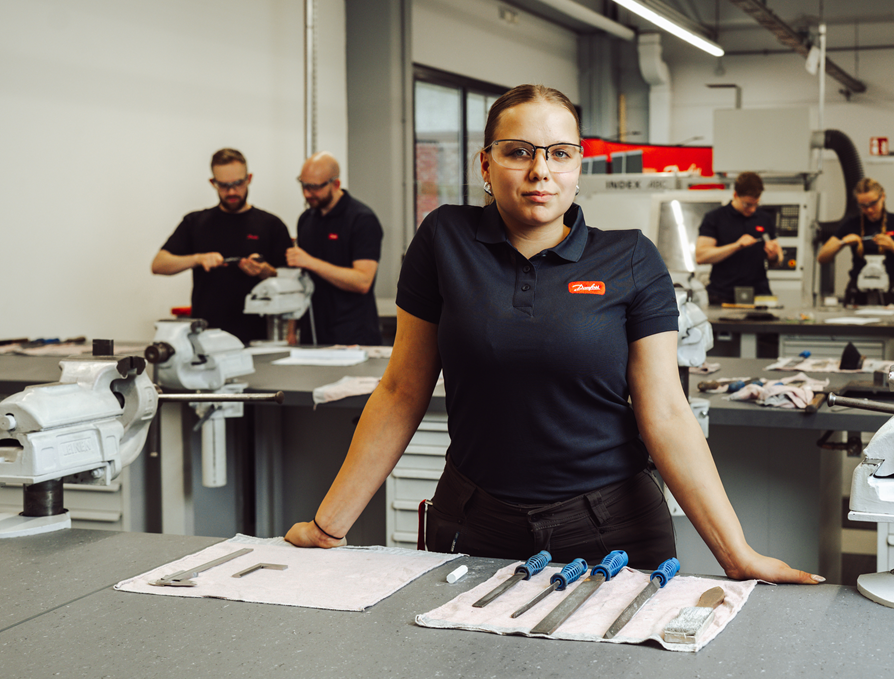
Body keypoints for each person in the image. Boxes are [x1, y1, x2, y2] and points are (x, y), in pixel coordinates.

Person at [285, 85, 820, 584]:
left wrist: (736, 556)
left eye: (560, 153)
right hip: (474, 523)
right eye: (519, 151)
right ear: (486, 165)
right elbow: (402, 390)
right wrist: (329, 525)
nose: (541, 171)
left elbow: (666, 412)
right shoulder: (444, 240)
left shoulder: (631, 257)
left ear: (577, 166)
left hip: (612, 529)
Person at [151, 148, 290, 345]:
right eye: (224, 185)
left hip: (258, 338)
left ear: (249, 178)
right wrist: (197, 259)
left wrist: (265, 271)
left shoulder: (271, 225)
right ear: (213, 183)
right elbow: (158, 264)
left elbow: (293, 282)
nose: (232, 191)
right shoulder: (196, 222)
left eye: (238, 184)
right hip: (206, 337)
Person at [286, 152, 384, 346]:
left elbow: (362, 281)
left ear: (336, 184)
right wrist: (291, 331)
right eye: (304, 186)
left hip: (353, 336)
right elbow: (301, 280)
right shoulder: (306, 219)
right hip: (312, 334)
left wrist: (311, 262)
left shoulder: (361, 220)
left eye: (314, 187)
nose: (307, 194)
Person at [817, 178, 894, 306]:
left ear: (882, 196)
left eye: (873, 203)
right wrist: (842, 243)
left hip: (890, 290)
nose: (869, 210)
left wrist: (893, 246)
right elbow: (822, 257)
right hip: (857, 291)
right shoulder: (851, 223)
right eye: (863, 205)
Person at [695, 172, 782, 306]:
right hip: (722, 296)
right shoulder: (715, 218)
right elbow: (701, 256)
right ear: (735, 195)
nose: (752, 209)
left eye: (756, 204)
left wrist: (773, 256)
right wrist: (736, 246)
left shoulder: (764, 219)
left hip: (758, 296)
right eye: (747, 204)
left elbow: (778, 259)